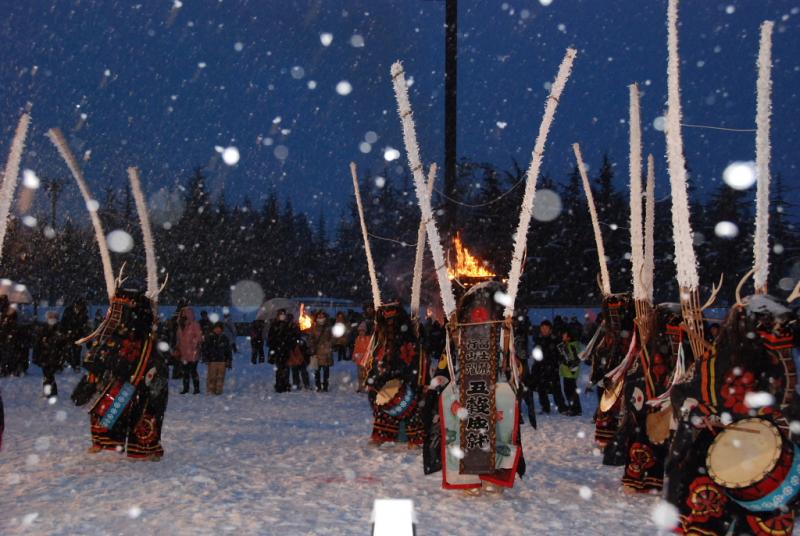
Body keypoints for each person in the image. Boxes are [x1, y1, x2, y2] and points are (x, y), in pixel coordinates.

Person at [72, 285, 168, 460]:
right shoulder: (119, 331)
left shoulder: (141, 333)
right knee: (107, 408)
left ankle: (146, 448)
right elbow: (102, 351)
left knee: (145, 411)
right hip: (123, 376)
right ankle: (105, 441)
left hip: (144, 375)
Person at [533, 320, 566, 414]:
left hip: (552, 367)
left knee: (556, 389)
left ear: (550, 330)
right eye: (542, 328)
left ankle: (562, 407)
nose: (544, 330)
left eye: (546, 328)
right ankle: (545, 407)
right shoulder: (538, 339)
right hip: (540, 367)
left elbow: (563, 353)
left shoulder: (556, 339)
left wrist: (559, 361)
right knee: (541, 389)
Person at [32, 311, 66, 397]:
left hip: (54, 356)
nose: (52, 319)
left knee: (49, 375)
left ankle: (49, 392)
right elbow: (38, 344)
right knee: (47, 375)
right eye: (50, 317)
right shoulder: (44, 328)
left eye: (53, 317)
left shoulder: (59, 328)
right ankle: (50, 391)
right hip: (46, 356)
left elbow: (62, 343)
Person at [176, 307, 203, 394]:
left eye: (185, 313)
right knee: (185, 372)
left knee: (193, 371)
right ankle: (186, 388)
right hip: (184, 352)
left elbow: (199, 337)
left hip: (193, 352)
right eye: (182, 313)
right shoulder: (180, 325)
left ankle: (196, 388)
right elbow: (179, 338)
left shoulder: (194, 324)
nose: (183, 314)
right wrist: (178, 347)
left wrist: (193, 344)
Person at [202, 322, 233, 395]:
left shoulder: (225, 338)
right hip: (212, 361)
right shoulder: (210, 337)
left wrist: (229, 360)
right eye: (216, 328)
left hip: (222, 361)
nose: (217, 330)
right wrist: (206, 357)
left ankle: (219, 390)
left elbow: (228, 350)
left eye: (219, 329)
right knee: (212, 377)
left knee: (220, 377)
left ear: (222, 329)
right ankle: (210, 390)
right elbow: (206, 348)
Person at [267, 309, 294, 393]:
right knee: (279, 368)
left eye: (283, 314)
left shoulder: (288, 325)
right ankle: (279, 385)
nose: (282, 316)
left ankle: (286, 385)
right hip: (277, 350)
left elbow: (291, 337)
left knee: (286, 368)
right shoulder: (274, 325)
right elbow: (270, 339)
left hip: (285, 350)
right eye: (281, 314)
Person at [557, 329, 582, 416]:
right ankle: (574, 408)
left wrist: (563, 361)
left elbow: (573, 361)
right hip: (568, 372)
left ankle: (575, 409)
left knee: (570, 391)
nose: (562, 336)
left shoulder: (571, 346)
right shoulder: (569, 345)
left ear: (569, 337)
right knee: (570, 391)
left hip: (570, 373)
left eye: (564, 335)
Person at [60, 299, 89, 371]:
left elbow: (85, 323)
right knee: (67, 347)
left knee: (77, 349)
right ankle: (66, 362)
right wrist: (65, 331)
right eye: (79, 306)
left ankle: (76, 365)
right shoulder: (68, 311)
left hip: (78, 333)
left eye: (81, 306)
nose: (80, 308)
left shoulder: (84, 312)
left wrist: (84, 332)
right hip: (68, 331)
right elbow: (63, 322)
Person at [308, 311, 333, 392]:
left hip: (326, 352)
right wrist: (313, 344)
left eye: (322, 316)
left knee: (326, 371)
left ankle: (325, 386)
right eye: (319, 316)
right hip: (317, 352)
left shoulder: (328, 327)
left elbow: (333, 338)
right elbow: (310, 339)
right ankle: (318, 386)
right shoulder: (314, 328)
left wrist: (328, 344)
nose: (321, 318)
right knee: (317, 371)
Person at [352, 321, 371, 393]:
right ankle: (360, 387)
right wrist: (354, 356)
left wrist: (368, 356)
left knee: (366, 375)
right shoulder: (358, 339)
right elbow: (355, 348)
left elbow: (369, 349)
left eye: (362, 331)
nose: (361, 332)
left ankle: (368, 388)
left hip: (366, 359)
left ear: (365, 331)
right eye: (360, 331)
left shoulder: (368, 338)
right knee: (360, 375)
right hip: (359, 359)